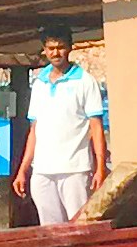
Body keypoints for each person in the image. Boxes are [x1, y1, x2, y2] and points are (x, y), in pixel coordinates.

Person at [23, 26, 108, 228]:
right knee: (49, 229)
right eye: (51, 48)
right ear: (45, 50)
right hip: (42, 171)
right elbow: (34, 130)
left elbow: (96, 128)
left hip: (75, 170)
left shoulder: (85, 82)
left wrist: (100, 167)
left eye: (60, 47)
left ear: (69, 48)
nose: (56, 53)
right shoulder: (39, 84)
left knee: (79, 225)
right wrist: (22, 170)